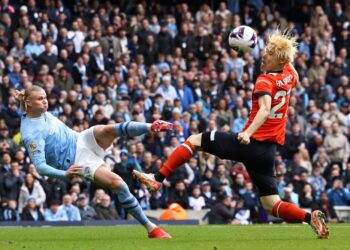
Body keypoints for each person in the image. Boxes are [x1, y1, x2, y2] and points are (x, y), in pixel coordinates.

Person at [134, 30, 329, 239]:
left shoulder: (265, 80)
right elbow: (294, 73)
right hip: (268, 151)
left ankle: (157, 178)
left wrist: (247, 133)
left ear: (279, 59)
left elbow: (264, 109)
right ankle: (311, 218)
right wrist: (283, 54)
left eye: (269, 53)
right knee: (271, 204)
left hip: (251, 143)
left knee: (195, 140)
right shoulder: (289, 75)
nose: (263, 55)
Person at [16, 85, 172, 238]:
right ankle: (151, 228)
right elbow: (40, 167)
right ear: (30, 102)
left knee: (106, 129)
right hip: (76, 160)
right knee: (119, 184)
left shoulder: (34, 110)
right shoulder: (30, 134)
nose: (45, 102)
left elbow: (25, 109)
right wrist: (64, 174)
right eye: (40, 99)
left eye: (45, 98)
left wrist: (22, 100)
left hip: (79, 138)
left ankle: (152, 126)